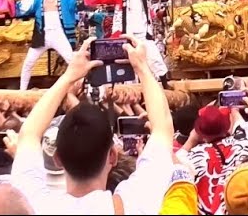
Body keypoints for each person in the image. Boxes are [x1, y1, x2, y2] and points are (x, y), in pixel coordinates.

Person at [11, 36, 177, 213]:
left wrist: (69, 76)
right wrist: (142, 67)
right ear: (113, 156)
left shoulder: (35, 206)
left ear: (57, 158)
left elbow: (28, 134)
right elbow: (162, 129)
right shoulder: (135, 202)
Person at [83, 0, 169, 82]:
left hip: (143, 32)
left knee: (154, 57)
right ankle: (131, 91)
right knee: (127, 63)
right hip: (125, 33)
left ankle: (165, 83)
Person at [15, 0, 84, 90]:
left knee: (72, 61)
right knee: (28, 63)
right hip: (43, 35)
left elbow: (82, 1)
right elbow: (20, 7)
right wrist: (5, 2)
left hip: (59, 34)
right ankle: (22, 90)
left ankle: (83, 87)